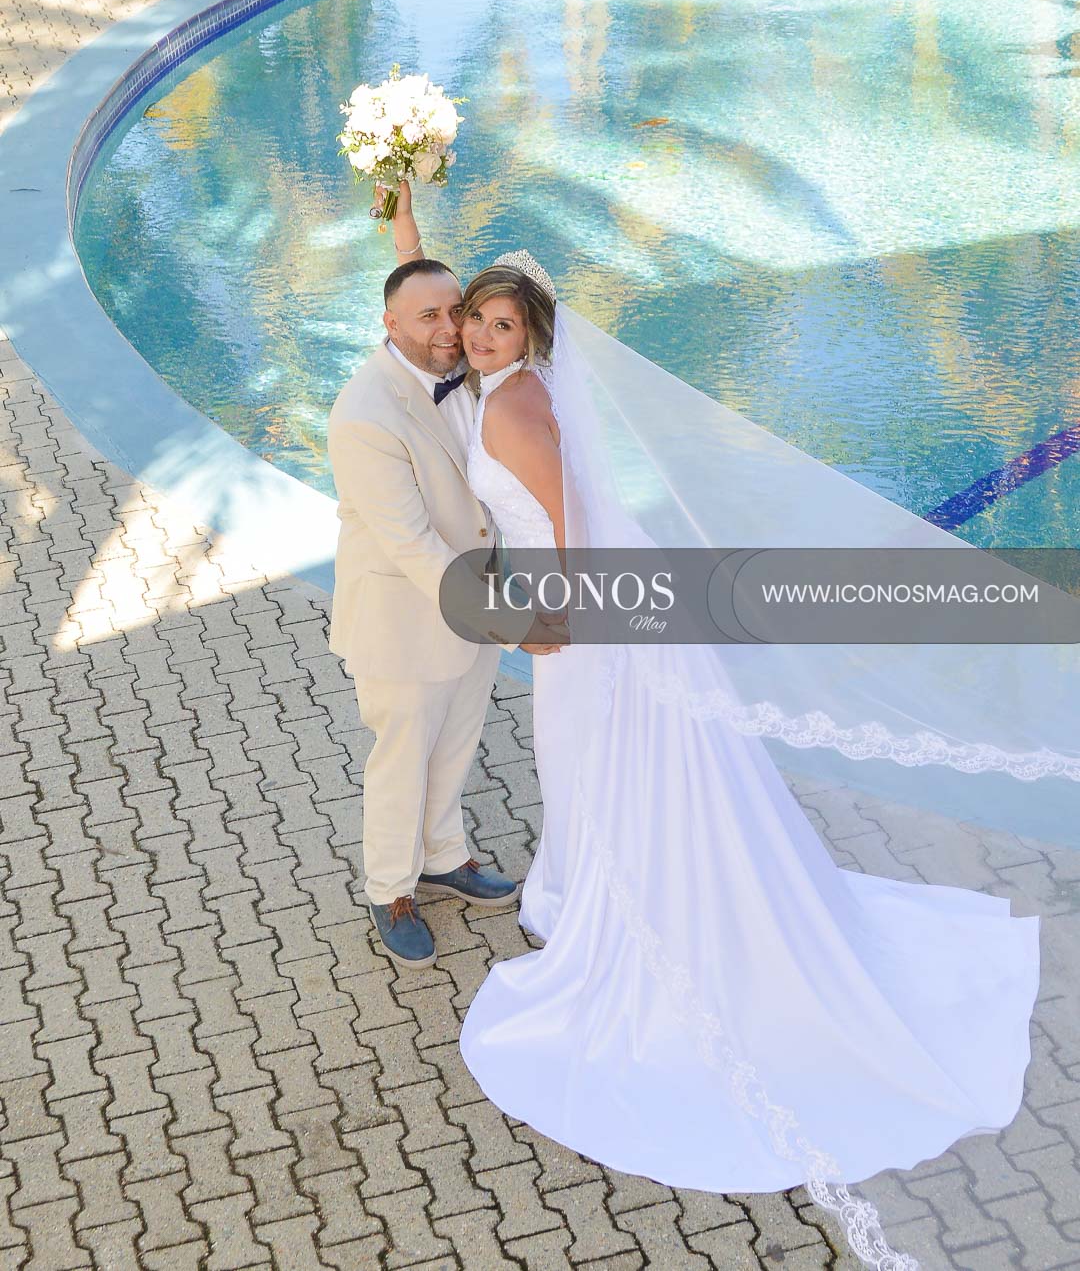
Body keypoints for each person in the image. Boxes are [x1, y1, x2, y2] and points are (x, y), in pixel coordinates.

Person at [388, 184, 1042, 1269]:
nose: (480, 335)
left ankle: (614, 901)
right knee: (585, 758)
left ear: (531, 338)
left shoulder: (512, 407)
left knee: (591, 754)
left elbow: (569, 522)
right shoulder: (500, 382)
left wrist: (559, 616)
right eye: (474, 321)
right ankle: (584, 885)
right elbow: (431, 316)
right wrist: (405, 222)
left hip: (584, 605)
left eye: (500, 324)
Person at [326, 246, 564, 971]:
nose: (448, 327)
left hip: (474, 605)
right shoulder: (365, 414)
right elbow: (414, 545)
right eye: (427, 315)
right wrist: (514, 621)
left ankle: (443, 858)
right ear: (390, 324)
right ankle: (390, 890)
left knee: (456, 744)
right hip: (404, 618)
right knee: (402, 760)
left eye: (454, 311)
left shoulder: (465, 369)